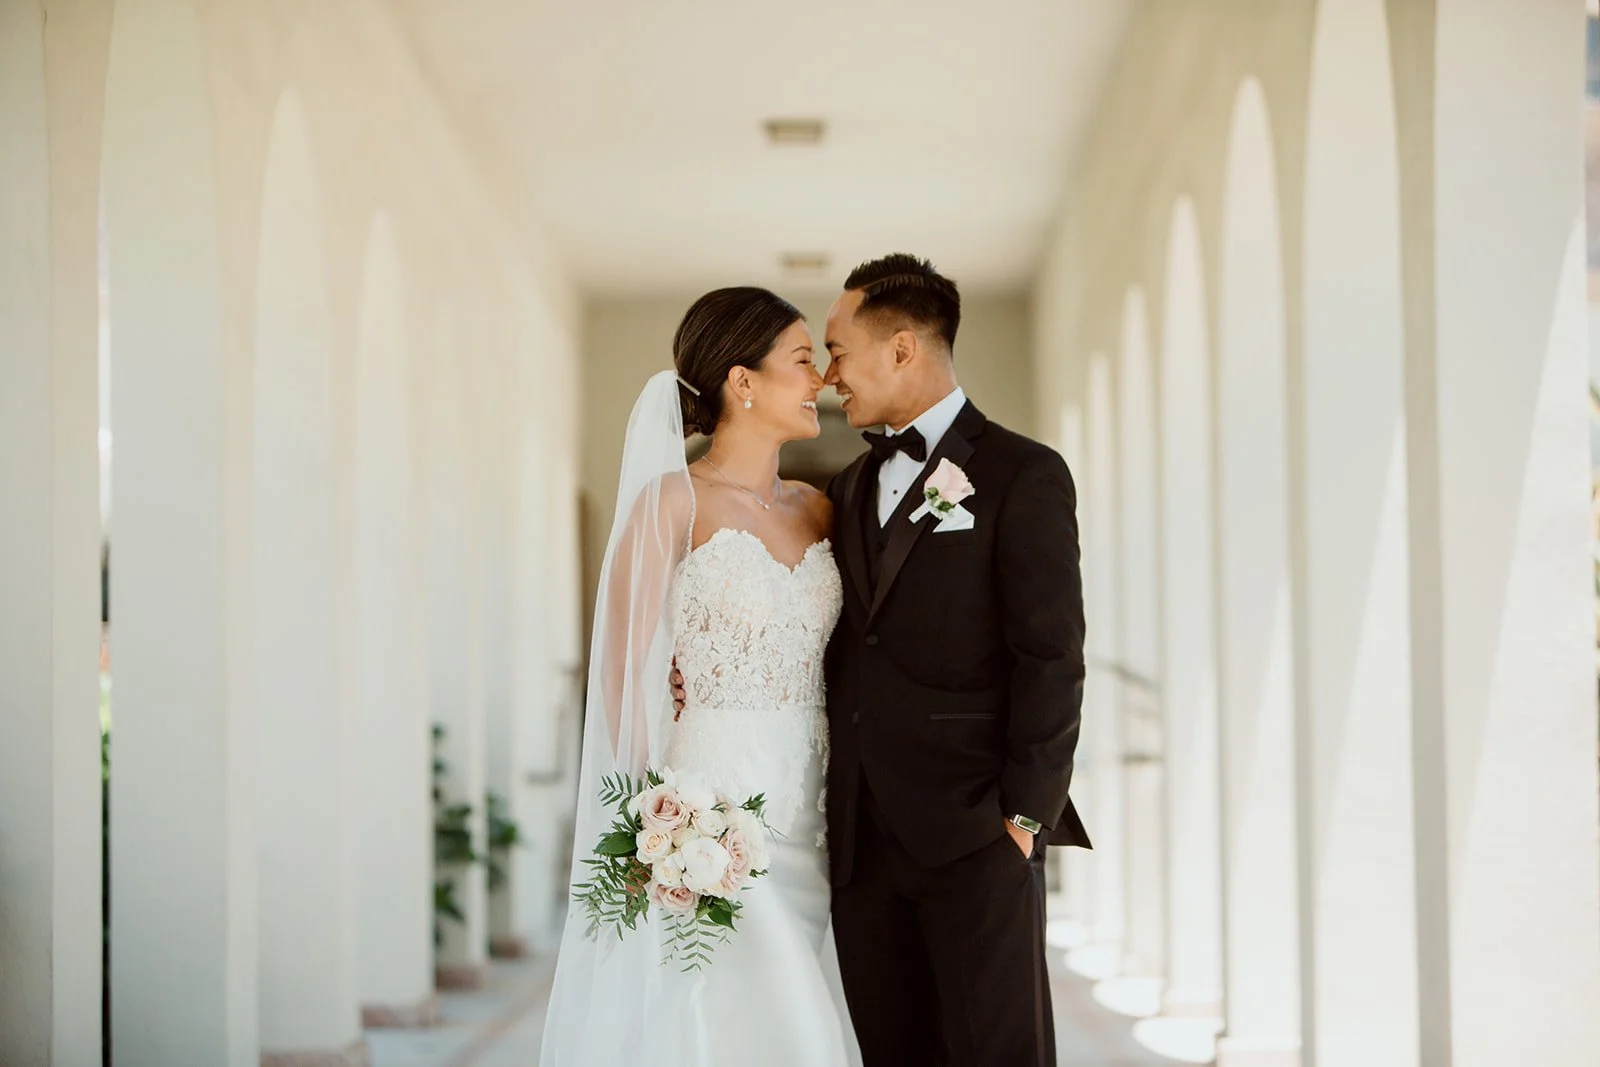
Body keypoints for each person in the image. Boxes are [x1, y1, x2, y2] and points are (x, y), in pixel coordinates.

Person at [541, 287, 855, 1066]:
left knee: (811, 993)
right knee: (742, 1012)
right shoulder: (669, 504)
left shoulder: (822, 510)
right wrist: (651, 824)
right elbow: (621, 674)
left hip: (816, 807)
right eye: (802, 361)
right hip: (714, 806)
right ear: (742, 382)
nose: (819, 379)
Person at [818, 254, 1090, 1066]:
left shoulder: (1024, 473)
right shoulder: (845, 487)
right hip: (862, 847)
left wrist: (1022, 822)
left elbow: (1052, 656)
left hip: (978, 835)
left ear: (902, 347)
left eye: (837, 351)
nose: (830, 377)